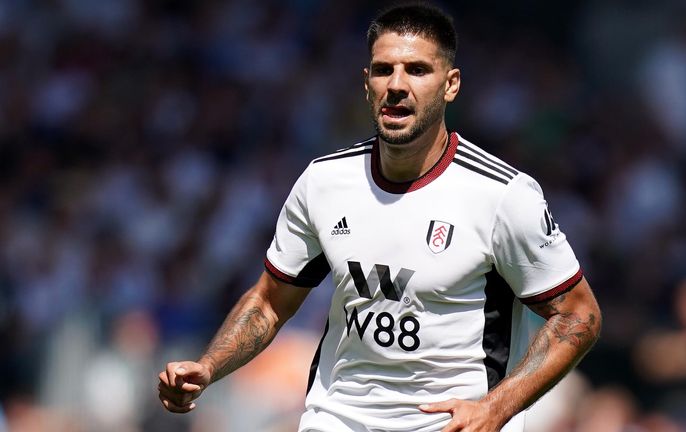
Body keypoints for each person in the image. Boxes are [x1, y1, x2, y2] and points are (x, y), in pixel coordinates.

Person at [157, 4, 601, 432]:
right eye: (384, 69)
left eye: (418, 70)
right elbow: (271, 301)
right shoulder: (324, 182)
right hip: (338, 417)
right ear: (366, 82)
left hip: (450, 423)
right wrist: (208, 366)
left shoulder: (502, 196)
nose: (397, 84)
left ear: (451, 85)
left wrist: (496, 407)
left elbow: (578, 315)